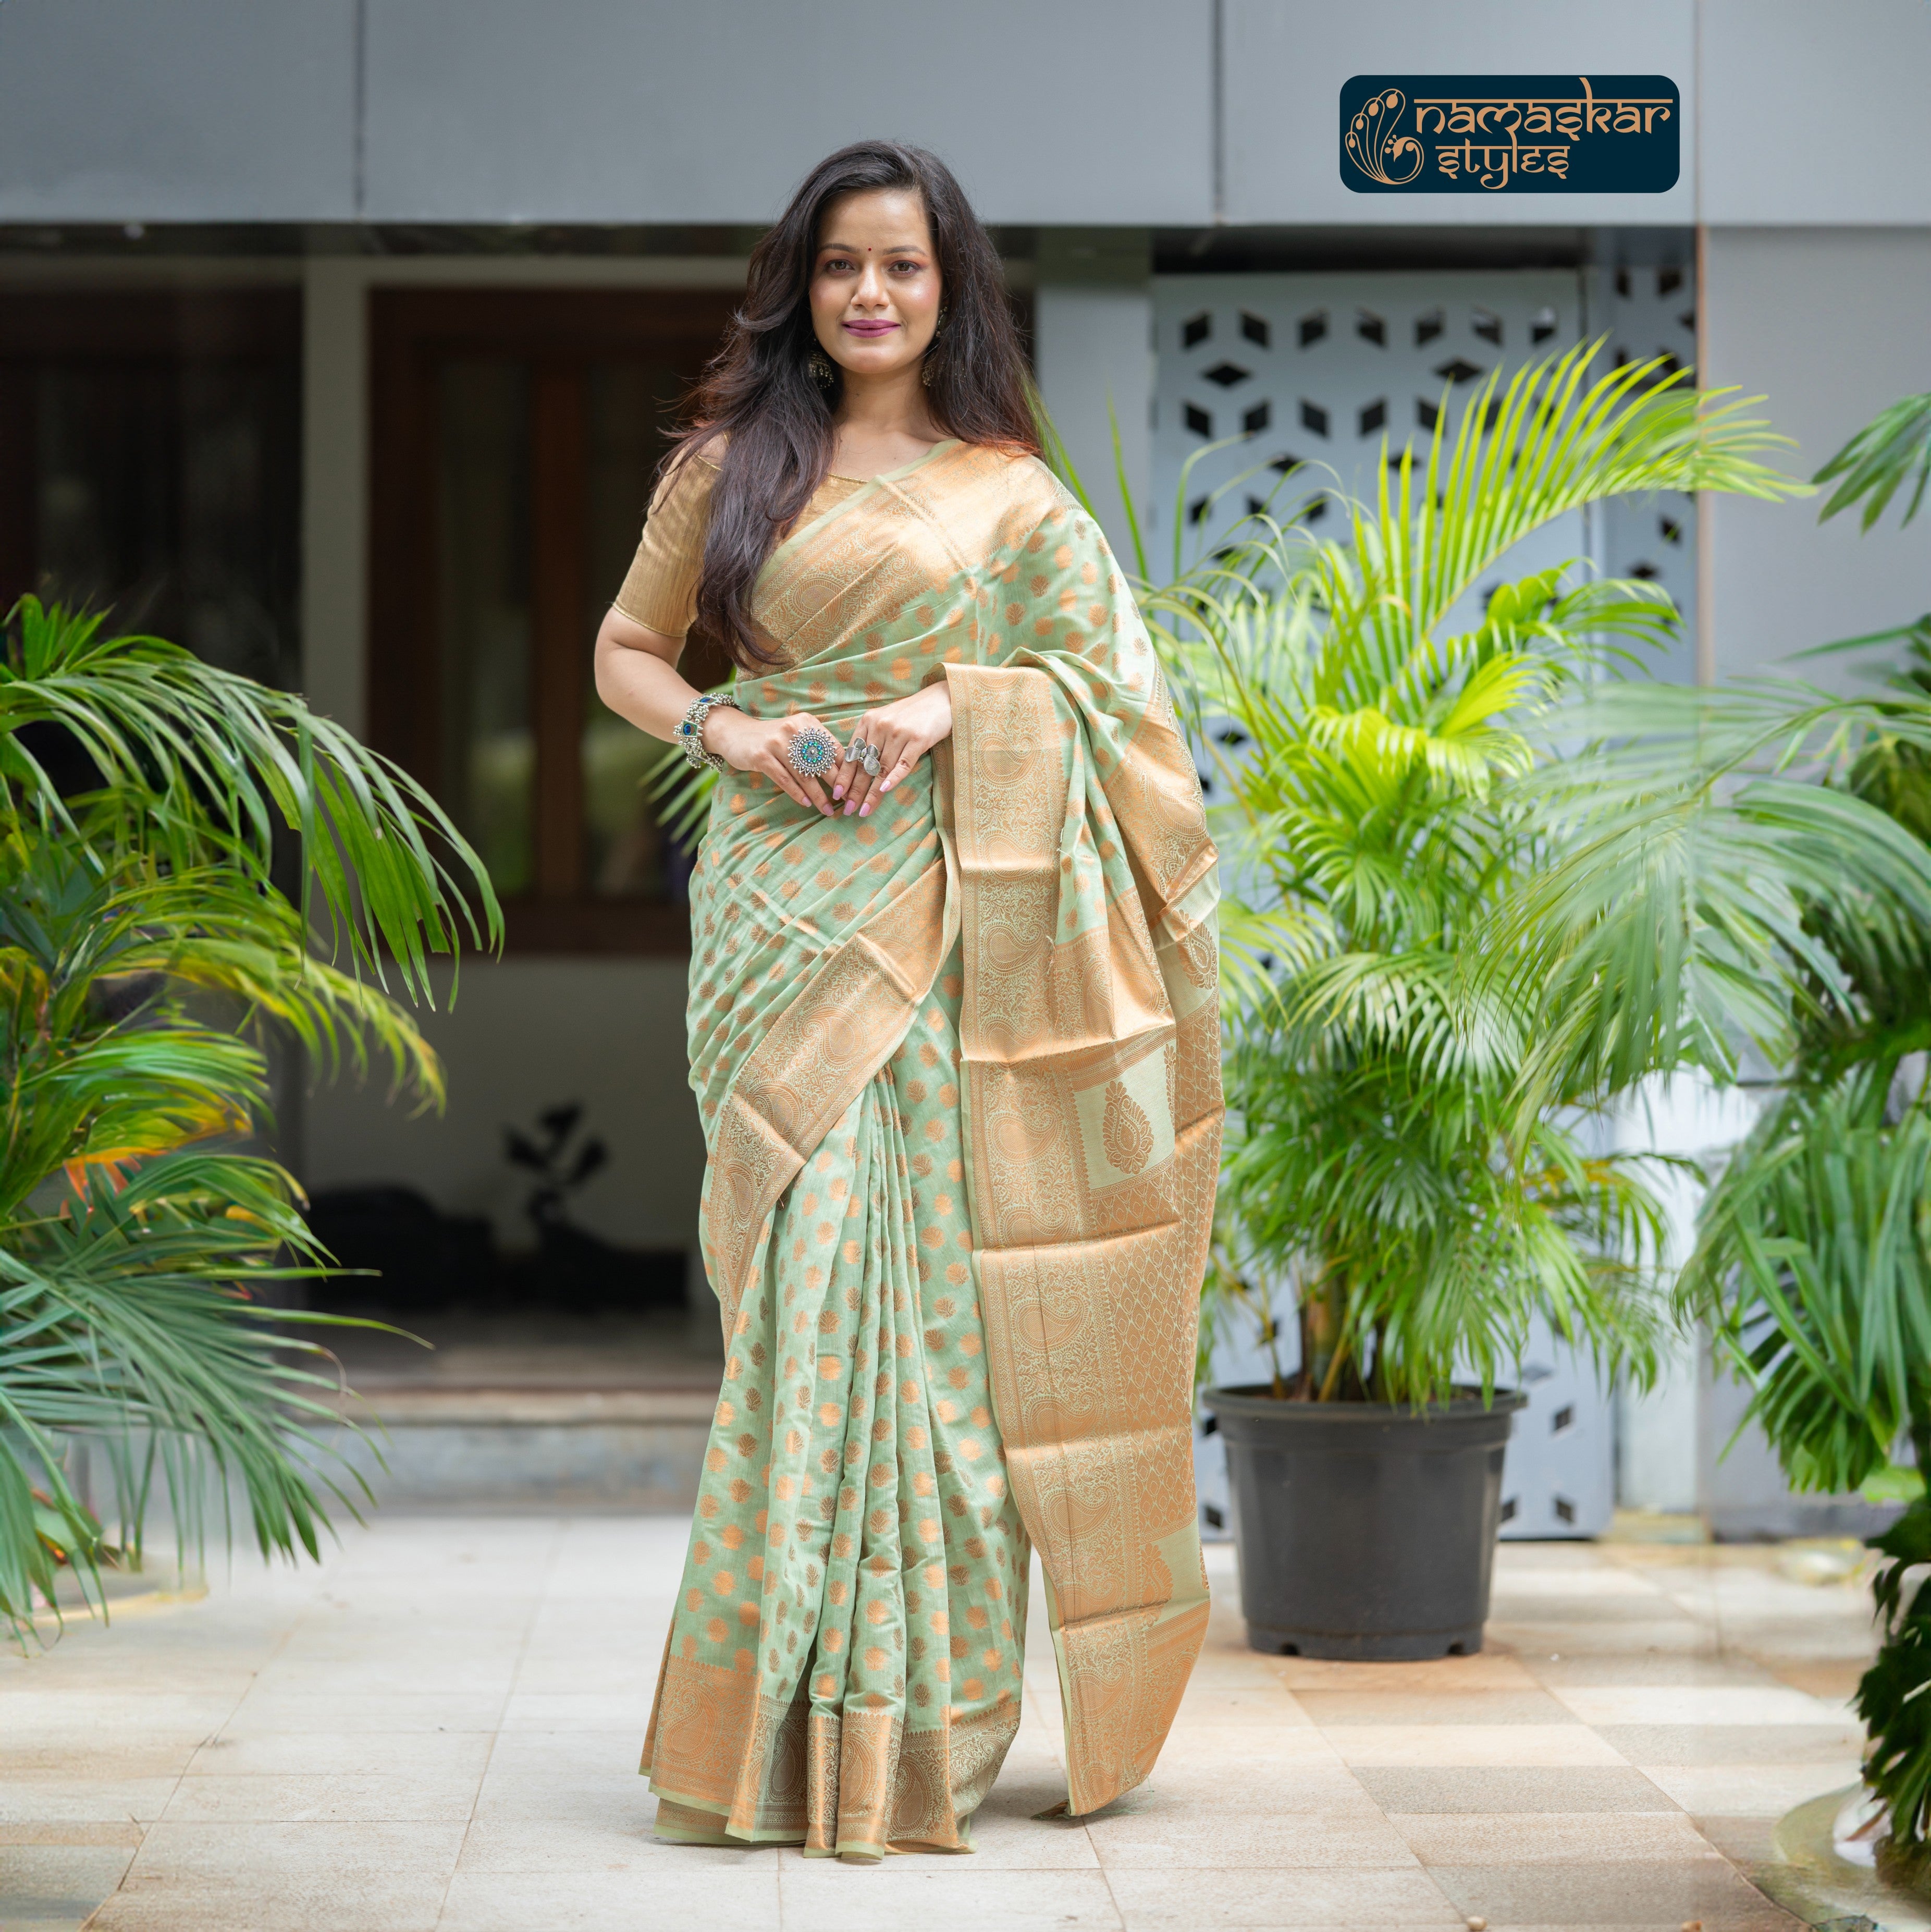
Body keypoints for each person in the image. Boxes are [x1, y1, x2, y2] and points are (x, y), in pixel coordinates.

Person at [593, 138, 1222, 1863]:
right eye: (844, 264)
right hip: (779, 912)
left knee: (936, 1325)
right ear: (803, 281)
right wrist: (732, 728)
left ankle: (919, 1727)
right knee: (803, 1302)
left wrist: (951, 711)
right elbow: (627, 652)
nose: (872, 293)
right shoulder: (728, 467)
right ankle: (770, 1723)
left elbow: (1110, 705)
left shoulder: (1012, 495)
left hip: (951, 914)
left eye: (905, 267)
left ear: (952, 293)